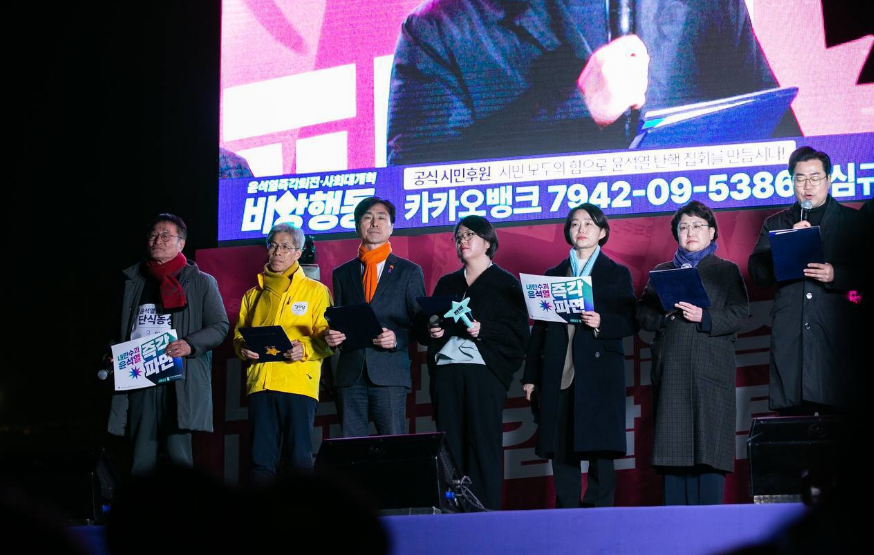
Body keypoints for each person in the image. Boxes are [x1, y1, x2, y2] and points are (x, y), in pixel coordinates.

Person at [386, 0, 798, 165]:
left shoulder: (704, 5)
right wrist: (575, 111)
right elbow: (413, 195)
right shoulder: (441, 29)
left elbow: (783, 150)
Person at [522, 203, 637, 508]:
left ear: (602, 232)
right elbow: (539, 330)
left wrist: (602, 322)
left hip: (600, 372)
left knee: (601, 446)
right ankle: (567, 510)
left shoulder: (616, 273)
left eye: (588, 224)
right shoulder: (553, 275)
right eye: (575, 224)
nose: (581, 229)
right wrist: (531, 376)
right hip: (560, 369)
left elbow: (631, 321)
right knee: (561, 445)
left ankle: (600, 509)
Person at [637, 201, 749, 505]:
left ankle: (710, 529)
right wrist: (664, 315)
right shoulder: (662, 272)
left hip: (710, 371)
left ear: (711, 232)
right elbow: (643, 315)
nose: (690, 232)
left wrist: (705, 317)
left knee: (709, 451)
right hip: (672, 371)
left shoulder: (726, 270)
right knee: (673, 455)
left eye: (698, 226)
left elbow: (740, 313)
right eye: (684, 227)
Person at [108, 214, 230, 475]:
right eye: (153, 235)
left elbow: (220, 326)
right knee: (140, 456)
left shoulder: (201, 282)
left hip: (179, 379)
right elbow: (116, 328)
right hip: (140, 375)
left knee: (179, 456)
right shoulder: (133, 281)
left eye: (166, 236)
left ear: (181, 243)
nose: (158, 240)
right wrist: (113, 352)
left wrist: (189, 344)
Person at [423, 215, 530, 510]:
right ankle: (450, 509)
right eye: (459, 237)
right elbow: (427, 325)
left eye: (470, 235)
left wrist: (484, 329)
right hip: (446, 370)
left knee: (482, 443)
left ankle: (485, 511)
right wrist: (433, 330)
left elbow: (519, 334)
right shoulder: (447, 283)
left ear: (488, 242)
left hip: (484, 371)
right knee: (448, 445)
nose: (463, 241)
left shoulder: (506, 283)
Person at [748, 147, 863, 414]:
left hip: (837, 329)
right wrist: (786, 243)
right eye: (800, 178)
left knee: (842, 410)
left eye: (815, 177)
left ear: (829, 180)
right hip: (792, 332)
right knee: (795, 415)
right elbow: (758, 274)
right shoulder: (777, 223)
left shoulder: (853, 221)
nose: (807, 186)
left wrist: (836, 274)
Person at [233, 223, 332, 480]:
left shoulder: (316, 291)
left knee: (299, 460)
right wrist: (243, 348)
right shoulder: (252, 295)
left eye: (286, 247)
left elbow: (327, 338)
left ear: (298, 253)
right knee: (260, 462)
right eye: (273, 245)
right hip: (261, 384)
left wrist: (305, 348)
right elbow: (239, 335)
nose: (278, 252)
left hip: (298, 384)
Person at [326, 197, 425, 437]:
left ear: (391, 227)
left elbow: (421, 323)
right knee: (351, 447)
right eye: (368, 217)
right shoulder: (342, 273)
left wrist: (397, 338)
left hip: (389, 371)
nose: (374, 223)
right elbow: (339, 316)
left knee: (394, 444)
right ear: (357, 225)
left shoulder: (408, 271)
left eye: (382, 217)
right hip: (350, 373)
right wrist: (331, 336)